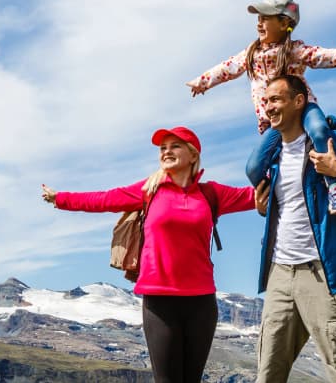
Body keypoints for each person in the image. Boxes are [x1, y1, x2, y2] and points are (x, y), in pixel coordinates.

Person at [41, 126, 256, 383]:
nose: (166, 152)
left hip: (201, 302)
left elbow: (257, 195)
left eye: (174, 146)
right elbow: (104, 199)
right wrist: (61, 198)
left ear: (193, 154)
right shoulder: (149, 190)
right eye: (162, 148)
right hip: (159, 301)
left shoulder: (211, 194)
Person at [186, 0, 336, 216]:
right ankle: (272, 193)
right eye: (259, 18)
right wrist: (202, 82)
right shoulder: (251, 54)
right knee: (253, 167)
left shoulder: (294, 50)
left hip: (304, 110)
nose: (259, 23)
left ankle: (335, 187)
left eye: (265, 18)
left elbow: (330, 56)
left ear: (285, 23)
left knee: (320, 129)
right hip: (274, 121)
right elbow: (226, 68)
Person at [249, 75, 336, 383]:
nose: (269, 106)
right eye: (266, 100)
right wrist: (265, 208)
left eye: (276, 99)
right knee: (267, 375)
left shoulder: (329, 143)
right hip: (280, 274)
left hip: (325, 275)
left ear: (299, 101)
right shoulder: (272, 157)